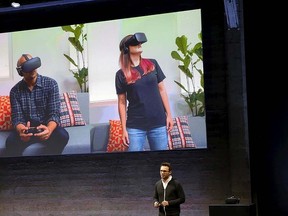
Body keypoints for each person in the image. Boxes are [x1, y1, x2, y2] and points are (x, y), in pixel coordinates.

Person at [115, 32, 174, 151]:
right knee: (134, 165)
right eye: (135, 43)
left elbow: (162, 90)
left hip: (158, 123)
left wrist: (169, 115)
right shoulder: (121, 74)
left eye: (140, 43)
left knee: (161, 163)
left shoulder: (153, 64)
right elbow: (121, 102)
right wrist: (124, 129)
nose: (140, 44)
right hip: (135, 126)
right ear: (126, 48)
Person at [5, 53, 69, 157]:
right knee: (11, 142)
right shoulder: (15, 91)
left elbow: (54, 113)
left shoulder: (51, 84)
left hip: (46, 126)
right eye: (28, 66)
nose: (32, 69)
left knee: (62, 136)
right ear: (21, 71)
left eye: (33, 65)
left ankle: (47, 165)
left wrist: (48, 130)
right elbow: (17, 118)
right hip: (27, 130)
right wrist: (22, 130)